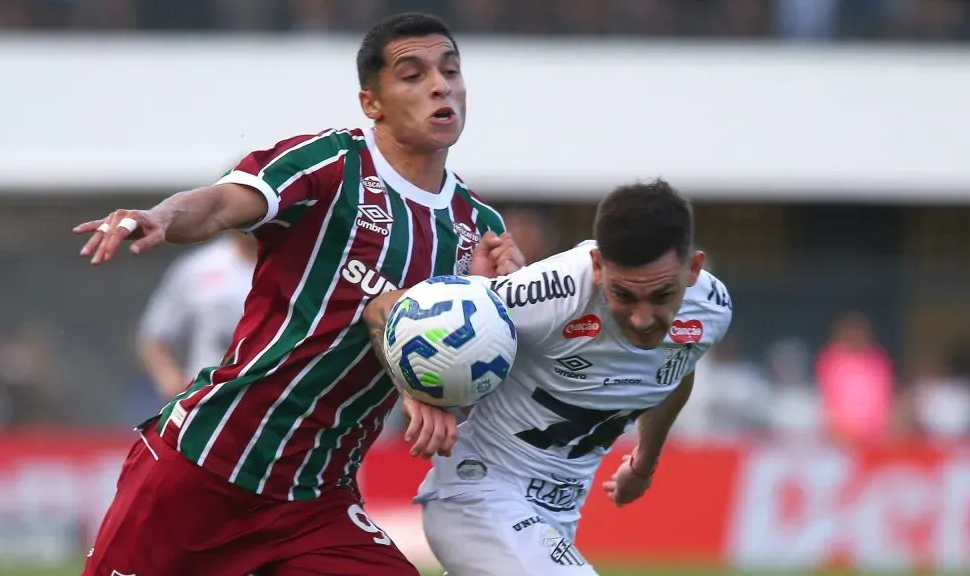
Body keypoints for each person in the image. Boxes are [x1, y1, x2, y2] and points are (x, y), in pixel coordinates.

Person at [73, 12, 523, 576]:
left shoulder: (475, 225)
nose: (441, 85)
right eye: (413, 75)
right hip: (204, 471)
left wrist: (497, 296)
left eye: (451, 70)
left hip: (315, 503)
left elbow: (457, 369)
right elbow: (219, 204)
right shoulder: (331, 164)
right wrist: (160, 216)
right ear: (372, 102)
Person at [363, 179, 734, 576]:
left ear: (693, 269)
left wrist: (644, 463)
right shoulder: (552, 292)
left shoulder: (711, 312)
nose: (643, 319)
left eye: (662, 296)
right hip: (478, 494)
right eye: (623, 295)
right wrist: (415, 390)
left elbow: (677, 372)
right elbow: (382, 308)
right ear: (597, 266)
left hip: (556, 517)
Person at [138, 232, 257, 400]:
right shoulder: (198, 267)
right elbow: (154, 336)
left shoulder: (298, 268)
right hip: (208, 401)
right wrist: (173, 384)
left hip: (277, 404)